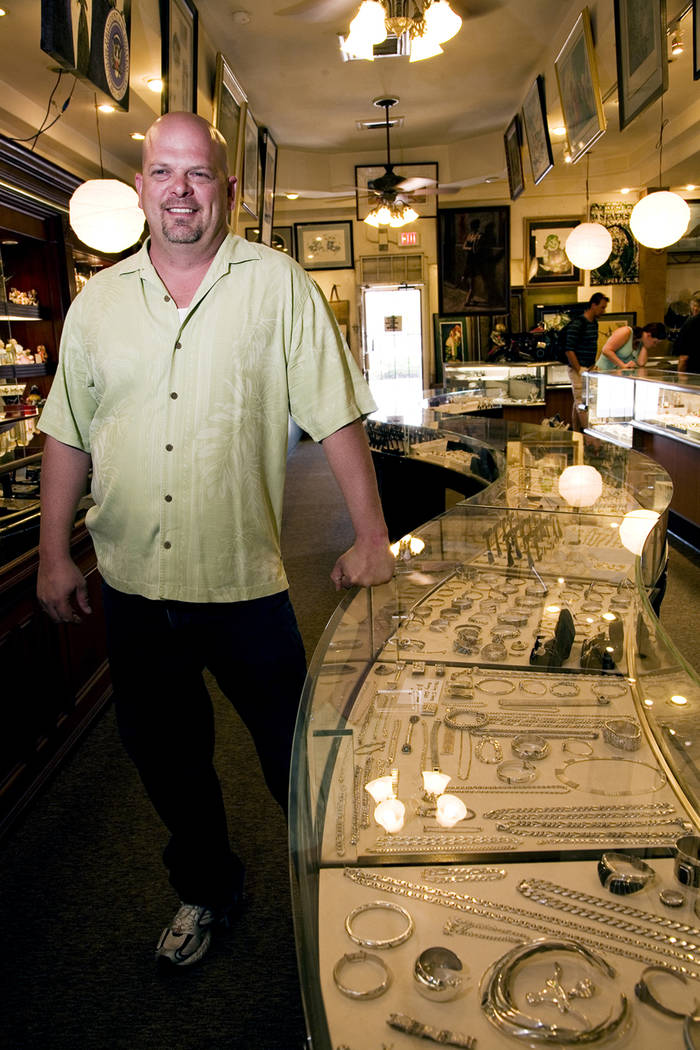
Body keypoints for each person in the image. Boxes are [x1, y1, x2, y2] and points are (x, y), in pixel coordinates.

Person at [36, 112, 395, 968]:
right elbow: (68, 430)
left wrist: (372, 533)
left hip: (243, 584)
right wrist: (54, 551)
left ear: (227, 189)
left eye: (198, 175)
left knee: (294, 758)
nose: (181, 192)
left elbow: (336, 413)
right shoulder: (97, 305)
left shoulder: (279, 287)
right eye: (164, 174)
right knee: (167, 762)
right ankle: (208, 887)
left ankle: (344, 888)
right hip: (131, 584)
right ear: (140, 189)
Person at [564, 292, 609, 431]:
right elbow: (568, 349)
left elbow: (591, 345)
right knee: (581, 402)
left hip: (588, 368)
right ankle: (589, 434)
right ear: (593, 305)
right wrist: (579, 369)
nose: (603, 311)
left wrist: (592, 365)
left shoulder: (594, 323)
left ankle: (577, 433)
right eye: (602, 307)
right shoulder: (578, 324)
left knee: (579, 401)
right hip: (578, 369)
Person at [597, 322, 665, 372]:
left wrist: (645, 346)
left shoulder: (641, 343)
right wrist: (623, 365)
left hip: (619, 376)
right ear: (648, 335)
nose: (654, 345)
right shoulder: (626, 332)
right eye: (655, 342)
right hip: (604, 372)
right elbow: (606, 350)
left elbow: (641, 363)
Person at [677, 295, 700, 373]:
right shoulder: (689, 320)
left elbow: (684, 356)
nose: (695, 308)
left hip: (692, 367)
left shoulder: (691, 323)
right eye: (694, 306)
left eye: (698, 306)